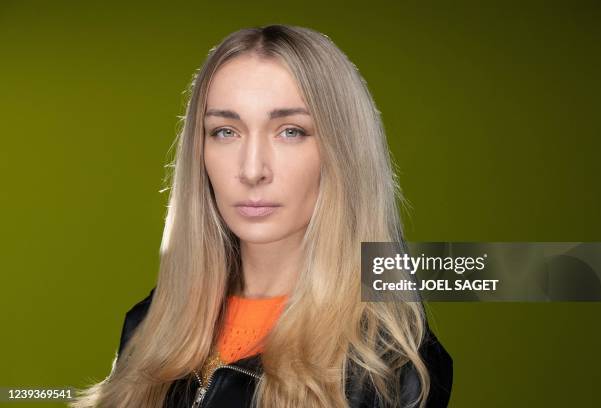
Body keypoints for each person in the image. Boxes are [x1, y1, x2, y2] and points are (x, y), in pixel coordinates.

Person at [71, 24, 453, 408]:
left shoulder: (390, 367)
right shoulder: (147, 326)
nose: (252, 170)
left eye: (290, 131)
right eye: (225, 131)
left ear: (341, 151)